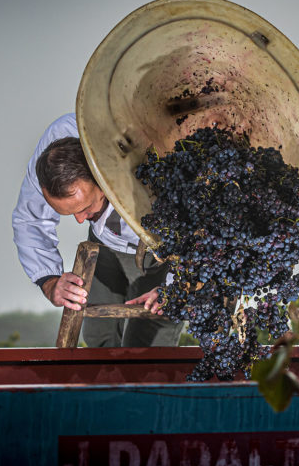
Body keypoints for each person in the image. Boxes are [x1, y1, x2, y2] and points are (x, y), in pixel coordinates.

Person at [12, 114, 180, 347]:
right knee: (98, 340)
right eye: (70, 213)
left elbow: (208, 234)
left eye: (86, 208)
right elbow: (30, 220)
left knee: (145, 351)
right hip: (107, 247)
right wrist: (49, 281)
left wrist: (176, 288)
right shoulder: (57, 145)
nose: (80, 221)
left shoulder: (161, 153)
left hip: (170, 253)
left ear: (103, 177)